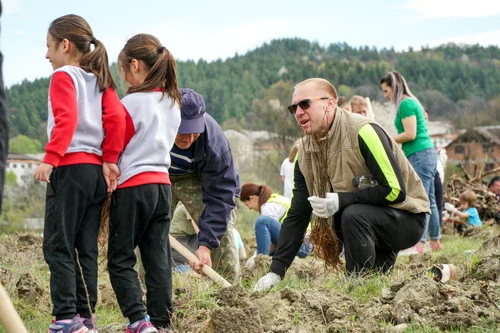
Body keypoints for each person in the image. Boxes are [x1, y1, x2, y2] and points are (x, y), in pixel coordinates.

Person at [254, 78, 429, 291]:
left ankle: (356, 284)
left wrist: (342, 199)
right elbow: (298, 214)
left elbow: (396, 191)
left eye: (305, 104)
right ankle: (378, 264)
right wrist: (276, 271)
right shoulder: (305, 153)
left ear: (330, 104)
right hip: (370, 222)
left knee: (350, 213)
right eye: (293, 108)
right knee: (341, 221)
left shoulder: (363, 131)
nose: (298, 112)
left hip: (406, 218)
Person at [34, 14, 126, 333]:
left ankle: (65, 318)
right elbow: (116, 119)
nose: (47, 55)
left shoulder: (64, 76)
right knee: (84, 247)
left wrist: (50, 158)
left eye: (48, 47)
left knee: (58, 244)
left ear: (65, 44)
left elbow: (67, 120)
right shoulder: (101, 79)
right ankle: (85, 317)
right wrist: (110, 159)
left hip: (69, 168)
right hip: (95, 173)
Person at [106, 34, 181, 333]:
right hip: (162, 187)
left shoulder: (130, 103)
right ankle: (161, 323)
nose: (122, 74)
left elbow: (115, 146)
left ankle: (138, 321)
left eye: (122, 68)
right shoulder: (172, 102)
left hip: (133, 186)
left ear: (134, 65)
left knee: (120, 258)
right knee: (157, 257)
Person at [169, 88, 240, 284]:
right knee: (147, 231)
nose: (190, 138)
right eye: (184, 130)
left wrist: (206, 245)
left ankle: (230, 295)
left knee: (222, 233)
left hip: (196, 177)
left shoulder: (215, 145)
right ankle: (147, 291)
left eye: (195, 131)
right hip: (160, 172)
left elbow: (220, 197)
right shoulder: (153, 123)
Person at [380, 71, 441, 252]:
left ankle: (420, 243)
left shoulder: (405, 104)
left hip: (420, 154)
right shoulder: (411, 102)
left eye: (386, 90)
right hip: (425, 153)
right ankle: (435, 241)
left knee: (420, 199)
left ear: (394, 87)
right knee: (429, 199)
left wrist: (388, 138)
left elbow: (410, 134)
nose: (386, 95)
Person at [240, 183, 311, 269]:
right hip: (303, 244)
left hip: (302, 246)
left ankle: (260, 265)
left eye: (247, 204)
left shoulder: (268, 207)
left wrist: (255, 259)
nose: (249, 208)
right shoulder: (274, 200)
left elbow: (270, 243)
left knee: (261, 221)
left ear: (253, 198)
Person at [170, 202, 246, 269]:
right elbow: (200, 231)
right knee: (199, 259)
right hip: (177, 241)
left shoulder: (207, 208)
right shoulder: (189, 206)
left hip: (191, 238)